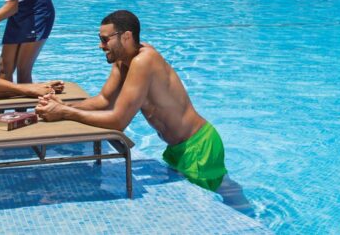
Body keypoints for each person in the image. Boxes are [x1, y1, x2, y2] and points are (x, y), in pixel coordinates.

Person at [35, 10, 227, 191]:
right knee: (219, 191)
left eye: (104, 39)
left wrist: (65, 113)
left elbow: (119, 121)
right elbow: (104, 101)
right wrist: (62, 106)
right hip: (179, 148)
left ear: (126, 36)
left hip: (198, 146)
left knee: (220, 199)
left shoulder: (143, 61)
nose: (100, 46)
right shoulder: (122, 60)